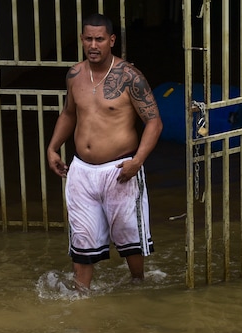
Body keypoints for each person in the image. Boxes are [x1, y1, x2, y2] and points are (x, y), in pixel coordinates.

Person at [47, 13, 163, 290]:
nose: (93, 45)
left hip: (120, 169)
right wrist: (52, 148)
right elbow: (69, 113)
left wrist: (137, 161)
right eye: (88, 38)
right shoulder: (75, 75)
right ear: (81, 40)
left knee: (130, 239)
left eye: (99, 39)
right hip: (82, 171)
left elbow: (154, 122)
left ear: (111, 40)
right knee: (82, 241)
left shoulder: (130, 77)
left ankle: (138, 285)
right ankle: (81, 297)